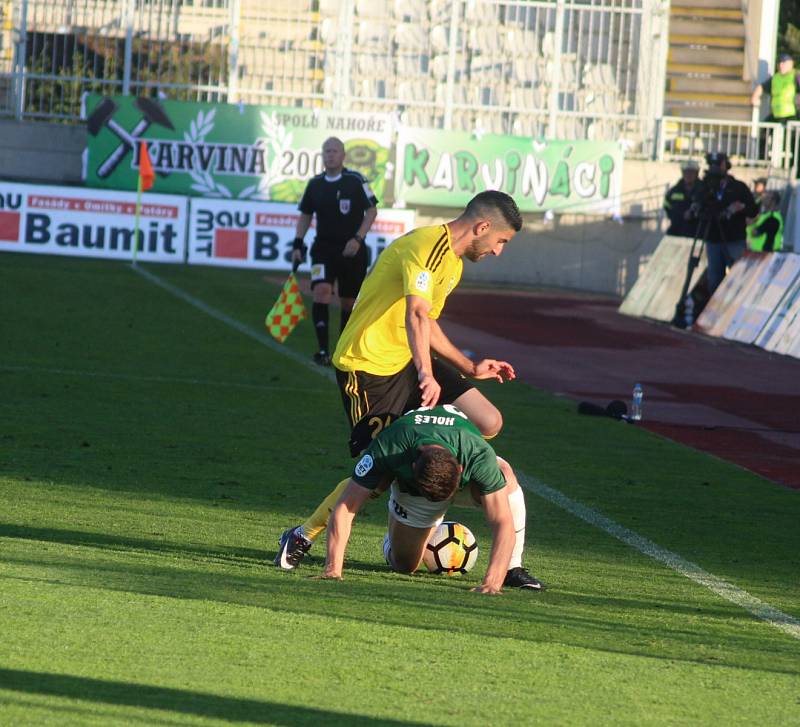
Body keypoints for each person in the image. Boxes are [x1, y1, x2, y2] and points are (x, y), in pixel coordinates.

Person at [275, 191, 529, 577]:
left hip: (407, 359)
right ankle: (302, 533)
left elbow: (427, 324)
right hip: (368, 367)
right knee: (376, 466)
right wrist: (427, 373)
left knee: (489, 421)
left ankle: (435, 469)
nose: (498, 251)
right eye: (501, 241)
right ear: (482, 227)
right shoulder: (424, 246)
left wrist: (469, 366)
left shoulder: (453, 265)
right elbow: (415, 311)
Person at [286, 404, 545, 593]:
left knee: (505, 475)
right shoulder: (390, 446)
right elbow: (346, 506)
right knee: (405, 565)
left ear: (462, 469)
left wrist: (491, 583)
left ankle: (512, 568)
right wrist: (333, 569)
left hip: (461, 478)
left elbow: (502, 521)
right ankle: (398, 533)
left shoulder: (476, 453)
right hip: (415, 492)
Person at [292, 137, 378, 366]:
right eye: (326, 151)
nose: (330, 155)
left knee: (348, 303)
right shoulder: (315, 184)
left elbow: (372, 211)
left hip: (352, 250)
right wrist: (298, 244)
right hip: (323, 249)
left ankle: (341, 351)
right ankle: (322, 351)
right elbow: (305, 215)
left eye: (334, 151)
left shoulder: (356, 180)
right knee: (321, 291)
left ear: (343, 156)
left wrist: (358, 239)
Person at [698, 153, 758, 295]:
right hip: (713, 239)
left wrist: (740, 207)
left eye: (719, 164)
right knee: (714, 280)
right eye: (712, 165)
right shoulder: (706, 186)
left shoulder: (738, 187)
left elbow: (753, 210)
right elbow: (700, 206)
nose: (715, 168)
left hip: (734, 239)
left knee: (738, 277)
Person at [751, 54, 800, 124]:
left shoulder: (796, 75)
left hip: (791, 115)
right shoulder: (775, 78)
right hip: (776, 114)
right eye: (779, 63)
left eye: (784, 63)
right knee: (764, 131)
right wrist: (755, 97)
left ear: (791, 64)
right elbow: (762, 87)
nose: (781, 65)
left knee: (789, 133)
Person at [663, 160, 702, 237]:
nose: (688, 175)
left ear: (696, 173)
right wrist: (680, 216)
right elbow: (667, 206)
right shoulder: (674, 191)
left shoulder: (704, 190)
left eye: (691, 172)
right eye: (686, 172)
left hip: (698, 232)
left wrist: (693, 215)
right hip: (677, 230)